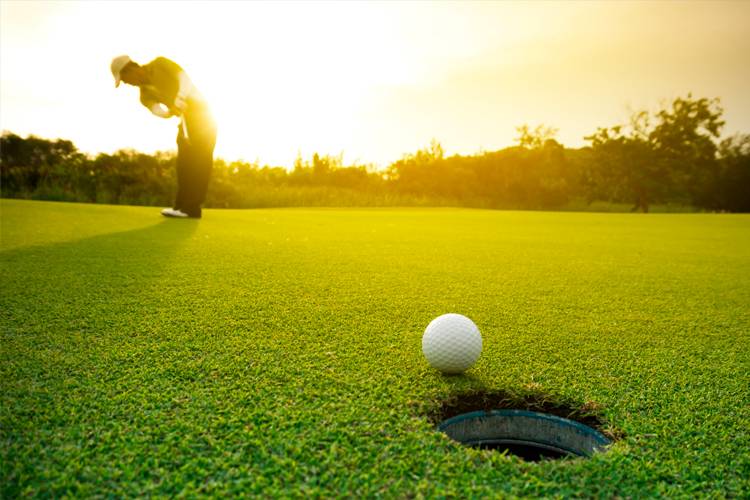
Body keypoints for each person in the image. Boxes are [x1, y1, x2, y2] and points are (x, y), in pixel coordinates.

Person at [110, 55, 216, 218]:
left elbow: (183, 77)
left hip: (203, 113)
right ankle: (181, 207)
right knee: (184, 163)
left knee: (200, 160)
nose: (126, 83)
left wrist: (180, 97)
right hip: (184, 118)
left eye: (124, 79)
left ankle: (192, 208)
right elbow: (156, 109)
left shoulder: (160, 63)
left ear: (131, 69)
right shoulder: (144, 95)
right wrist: (169, 112)